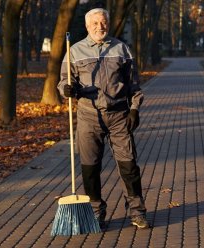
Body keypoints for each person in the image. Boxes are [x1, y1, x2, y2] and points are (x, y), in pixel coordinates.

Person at [57, 8, 148, 229]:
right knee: (90, 169)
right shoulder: (75, 51)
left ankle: (137, 211)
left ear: (108, 23)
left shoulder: (121, 49)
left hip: (119, 115)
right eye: (95, 23)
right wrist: (67, 90)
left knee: (129, 166)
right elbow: (63, 82)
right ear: (88, 27)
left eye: (103, 22)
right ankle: (96, 211)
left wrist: (134, 109)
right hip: (89, 116)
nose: (100, 27)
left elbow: (134, 85)